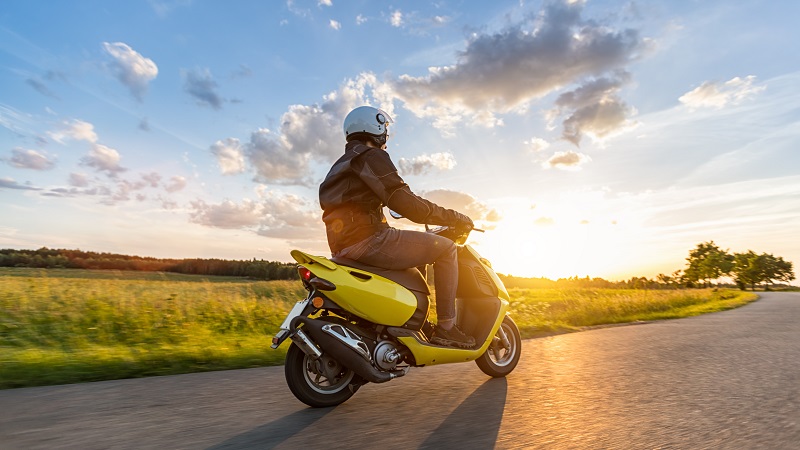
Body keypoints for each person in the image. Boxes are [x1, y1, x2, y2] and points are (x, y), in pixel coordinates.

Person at [319, 105, 476, 348]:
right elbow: (406, 202)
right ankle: (447, 328)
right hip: (369, 240)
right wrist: (453, 217)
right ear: (375, 127)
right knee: (445, 249)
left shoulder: (340, 165)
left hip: (341, 247)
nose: (386, 136)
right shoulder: (371, 156)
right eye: (385, 129)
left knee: (417, 255)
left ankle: (414, 322)